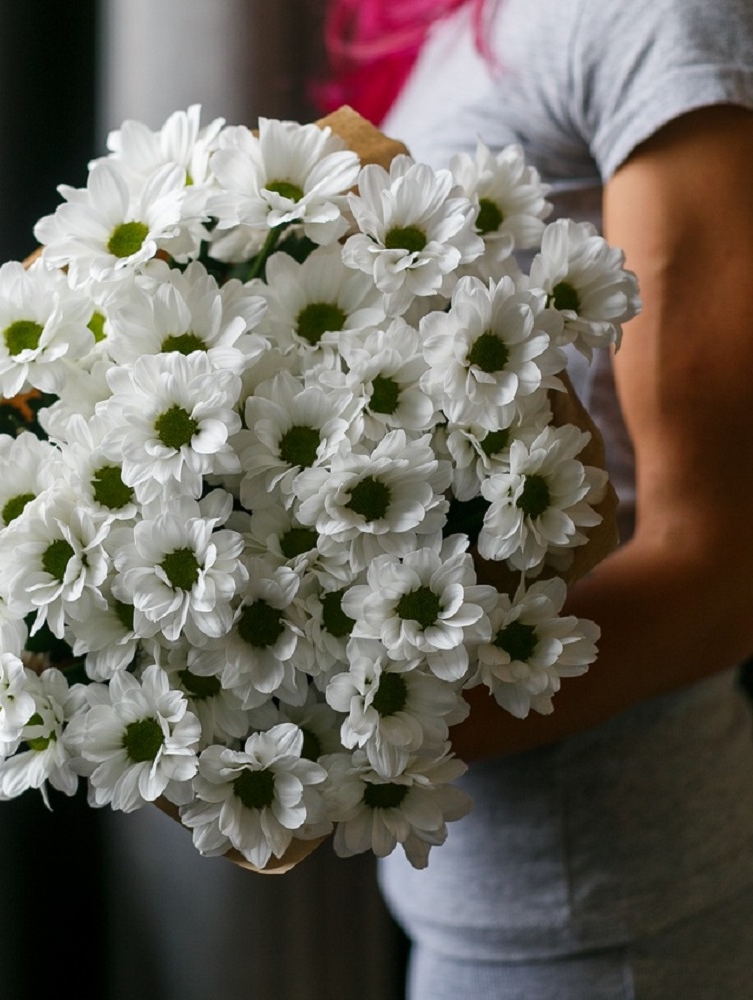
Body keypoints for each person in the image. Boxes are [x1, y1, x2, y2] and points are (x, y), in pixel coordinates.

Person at [317, 0, 753, 997]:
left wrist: (327, 731)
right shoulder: (455, 33)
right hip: (473, 900)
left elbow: (719, 569)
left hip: (612, 905)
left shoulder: (658, 17)